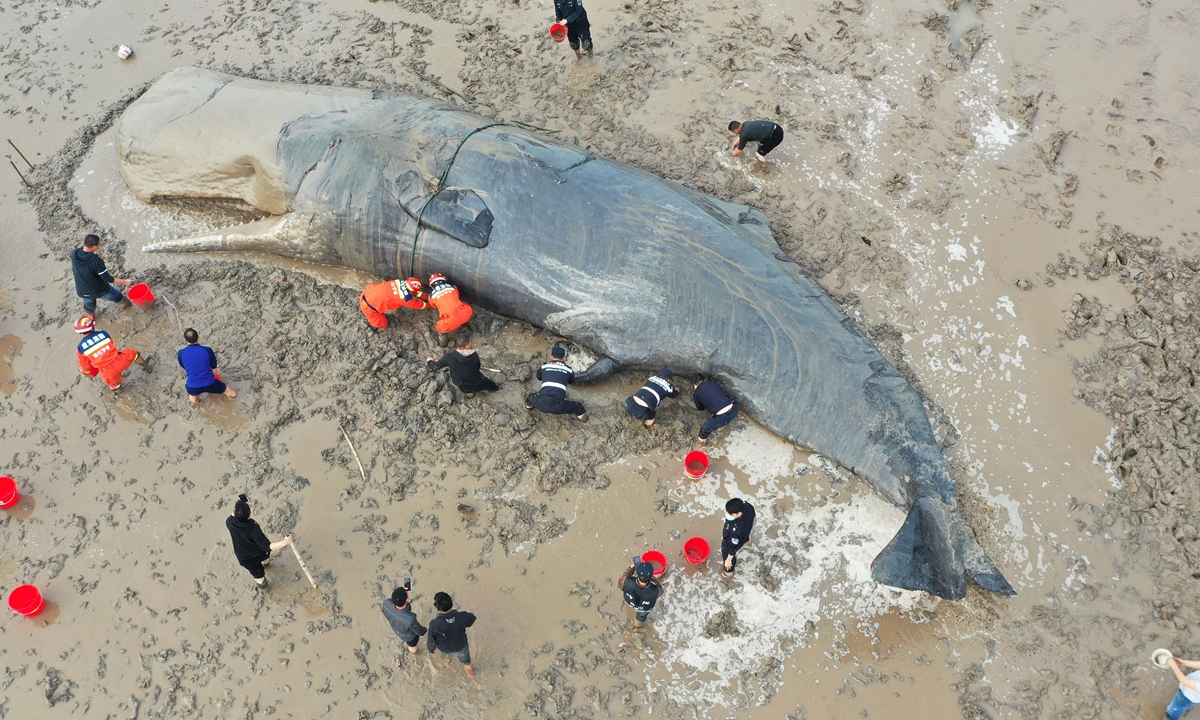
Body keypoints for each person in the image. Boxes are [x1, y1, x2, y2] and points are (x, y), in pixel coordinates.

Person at [225, 494, 293, 588]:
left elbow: (235, 512)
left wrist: (242, 502)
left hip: (244, 558)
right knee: (263, 566)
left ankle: (263, 579)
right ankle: (265, 576)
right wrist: (285, 542)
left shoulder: (229, 522)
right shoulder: (253, 529)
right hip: (258, 553)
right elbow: (267, 546)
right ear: (249, 513)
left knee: (258, 575)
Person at [75, 314, 151, 394]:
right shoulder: (103, 333)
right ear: (93, 326)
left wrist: (84, 371)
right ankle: (148, 367)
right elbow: (111, 343)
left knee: (114, 385)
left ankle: (119, 392)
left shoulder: (80, 348)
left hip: (107, 371)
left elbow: (85, 365)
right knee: (133, 353)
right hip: (120, 360)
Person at [71, 234, 134, 313]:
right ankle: (129, 308)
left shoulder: (74, 253)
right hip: (99, 290)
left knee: (89, 307)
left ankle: (90, 316)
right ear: (94, 247)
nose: (99, 245)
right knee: (119, 298)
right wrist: (125, 282)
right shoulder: (97, 261)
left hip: (83, 291)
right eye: (98, 244)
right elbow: (108, 278)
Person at [524, 345, 587, 422]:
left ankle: (529, 407)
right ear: (564, 358)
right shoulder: (569, 370)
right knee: (579, 407)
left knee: (530, 397)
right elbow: (571, 382)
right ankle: (583, 419)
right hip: (559, 405)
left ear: (551, 357)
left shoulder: (544, 366)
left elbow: (539, 377)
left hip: (542, 403)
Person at [177, 328, 237, 404]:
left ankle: (197, 403)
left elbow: (183, 366)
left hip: (193, 386)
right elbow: (214, 368)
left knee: (192, 398)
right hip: (210, 383)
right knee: (230, 392)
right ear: (199, 336)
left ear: (185, 340)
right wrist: (217, 379)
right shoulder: (208, 350)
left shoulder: (181, 353)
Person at [426, 334, 499, 396]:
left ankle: (470, 395)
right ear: (466, 346)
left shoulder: (449, 357)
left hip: (462, 385)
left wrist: (429, 361)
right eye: (470, 342)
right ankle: (496, 389)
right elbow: (478, 367)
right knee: (491, 385)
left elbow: (434, 367)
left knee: (467, 391)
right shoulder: (474, 355)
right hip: (478, 382)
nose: (471, 343)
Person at [427, 592, 477, 678]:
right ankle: (471, 676)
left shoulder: (434, 624)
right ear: (451, 603)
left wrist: (431, 650)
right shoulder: (462, 617)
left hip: (444, 648)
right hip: (461, 646)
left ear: (437, 607)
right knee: (467, 663)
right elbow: (472, 618)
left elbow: (431, 640)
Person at [360, 277, 428, 330]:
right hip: (368, 307)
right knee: (383, 324)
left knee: (395, 303)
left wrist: (426, 297)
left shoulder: (398, 281)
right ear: (411, 291)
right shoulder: (405, 299)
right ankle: (379, 326)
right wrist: (429, 304)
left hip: (368, 292)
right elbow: (420, 305)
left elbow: (415, 293)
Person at [381, 585, 427, 663]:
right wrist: (426, 629)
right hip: (409, 636)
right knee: (412, 646)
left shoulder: (386, 603)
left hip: (396, 628)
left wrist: (405, 592)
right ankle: (413, 653)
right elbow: (420, 632)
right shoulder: (410, 619)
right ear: (407, 599)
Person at [427, 273, 473, 346]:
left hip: (450, 322)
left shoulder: (431, 296)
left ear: (432, 286)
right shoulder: (453, 287)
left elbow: (434, 306)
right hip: (464, 313)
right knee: (467, 309)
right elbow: (457, 296)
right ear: (444, 281)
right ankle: (474, 328)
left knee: (440, 330)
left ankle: (444, 345)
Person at [692, 378, 739, 444]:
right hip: (735, 408)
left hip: (723, 418)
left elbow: (700, 408)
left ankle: (701, 443)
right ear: (704, 380)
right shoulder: (714, 384)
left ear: (695, 385)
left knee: (704, 429)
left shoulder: (696, 394)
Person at [617, 559, 662, 628]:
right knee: (641, 617)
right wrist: (652, 579)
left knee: (631, 605)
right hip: (644, 608)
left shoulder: (626, 581)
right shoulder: (655, 590)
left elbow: (624, 578)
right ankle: (637, 626)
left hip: (629, 601)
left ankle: (631, 611)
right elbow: (660, 590)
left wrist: (631, 567)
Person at [720, 497, 756, 575]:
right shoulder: (748, 506)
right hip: (746, 531)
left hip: (734, 540)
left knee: (727, 559)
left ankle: (728, 573)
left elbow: (732, 547)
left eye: (730, 513)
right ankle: (747, 542)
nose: (727, 514)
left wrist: (728, 559)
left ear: (739, 514)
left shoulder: (735, 531)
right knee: (745, 537)